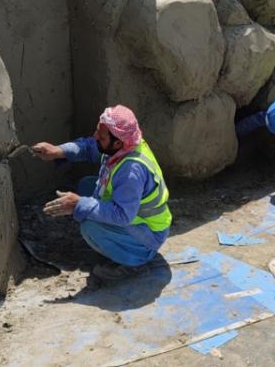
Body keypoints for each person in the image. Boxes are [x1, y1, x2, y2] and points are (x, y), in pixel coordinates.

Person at [31, 105, 171, 280]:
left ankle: (133, 262)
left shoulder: (131, 171)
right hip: (135, 218)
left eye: (101, 135)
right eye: (98, 131)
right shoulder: (123, 144)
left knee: (90, 228)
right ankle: (116, 242)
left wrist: (78, 204)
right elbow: (89, 147)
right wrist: (59, 151)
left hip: (147, 236)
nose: (95, 136)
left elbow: (122, 215)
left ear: (117, 142)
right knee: (87, 185)